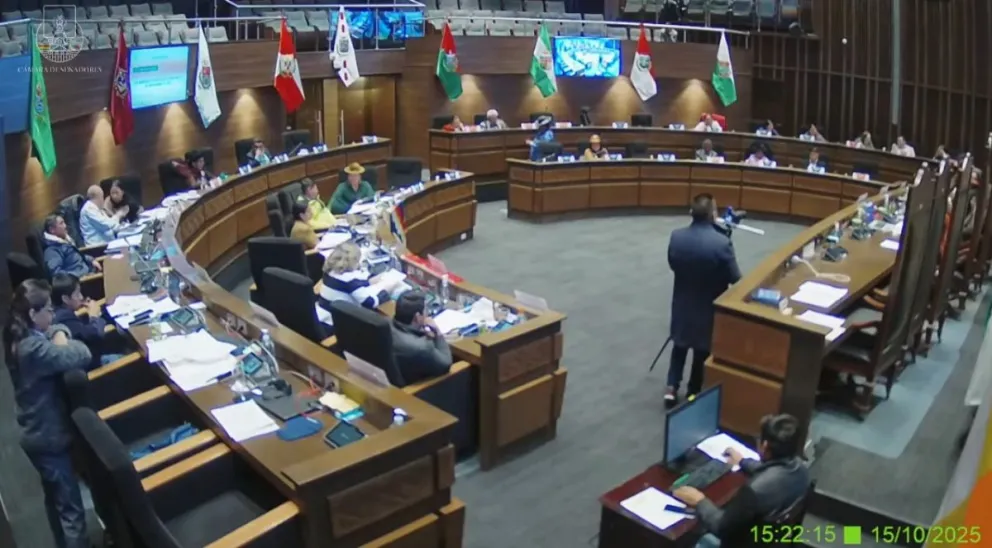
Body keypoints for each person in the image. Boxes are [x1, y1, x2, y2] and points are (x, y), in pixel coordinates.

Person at [3, 279, 92, 548]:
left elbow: (55, 330)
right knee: (71, 512)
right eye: (48, 310)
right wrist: (62, 333)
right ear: (33, 314)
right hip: (48, 437)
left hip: (36, 434)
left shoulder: (21, 337)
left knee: (56, 503)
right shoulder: (34, 349)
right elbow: (81, 353)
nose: (52, 315)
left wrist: (57, 330)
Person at [673, 414, 811, 548]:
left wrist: (699, 500)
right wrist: (742, 461)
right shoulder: (802, 471)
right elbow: (772, 470)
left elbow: (720, 526)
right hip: (774, 540)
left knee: (695, 536)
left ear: (765, 445)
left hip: (744, 542)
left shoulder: (753, 491)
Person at [665, 194, 741, 406]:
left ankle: (671, 387)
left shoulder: (676, 237)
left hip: (682, 302)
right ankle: (692, 391)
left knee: (679, 344)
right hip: (708, 307)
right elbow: (735, 278)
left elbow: (673, 264)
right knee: (701, 350)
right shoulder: (722, 243)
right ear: (713, 215)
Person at [51, 273, 125, 370]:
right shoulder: (64, 319)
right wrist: (93, 315)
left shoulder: (61, 313)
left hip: (95, 355)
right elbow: (94, 335)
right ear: (65, 298)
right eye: (77, 294)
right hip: (95, 366)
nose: (81, 297)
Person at [317, 242, 401, 324]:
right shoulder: (350, 281)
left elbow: (356, 284)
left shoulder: (330, 272)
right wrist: (387, 288)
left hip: (322, 316)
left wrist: (370, 281)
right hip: (336, 323)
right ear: (355, 262)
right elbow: (370, 303)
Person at [391, 290, 453, 385]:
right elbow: (446, 363)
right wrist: (438, 333)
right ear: (417, 317)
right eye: (425, 310)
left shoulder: (386, 326)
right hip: (418, 390)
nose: (427, 313)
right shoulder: (422, 348)